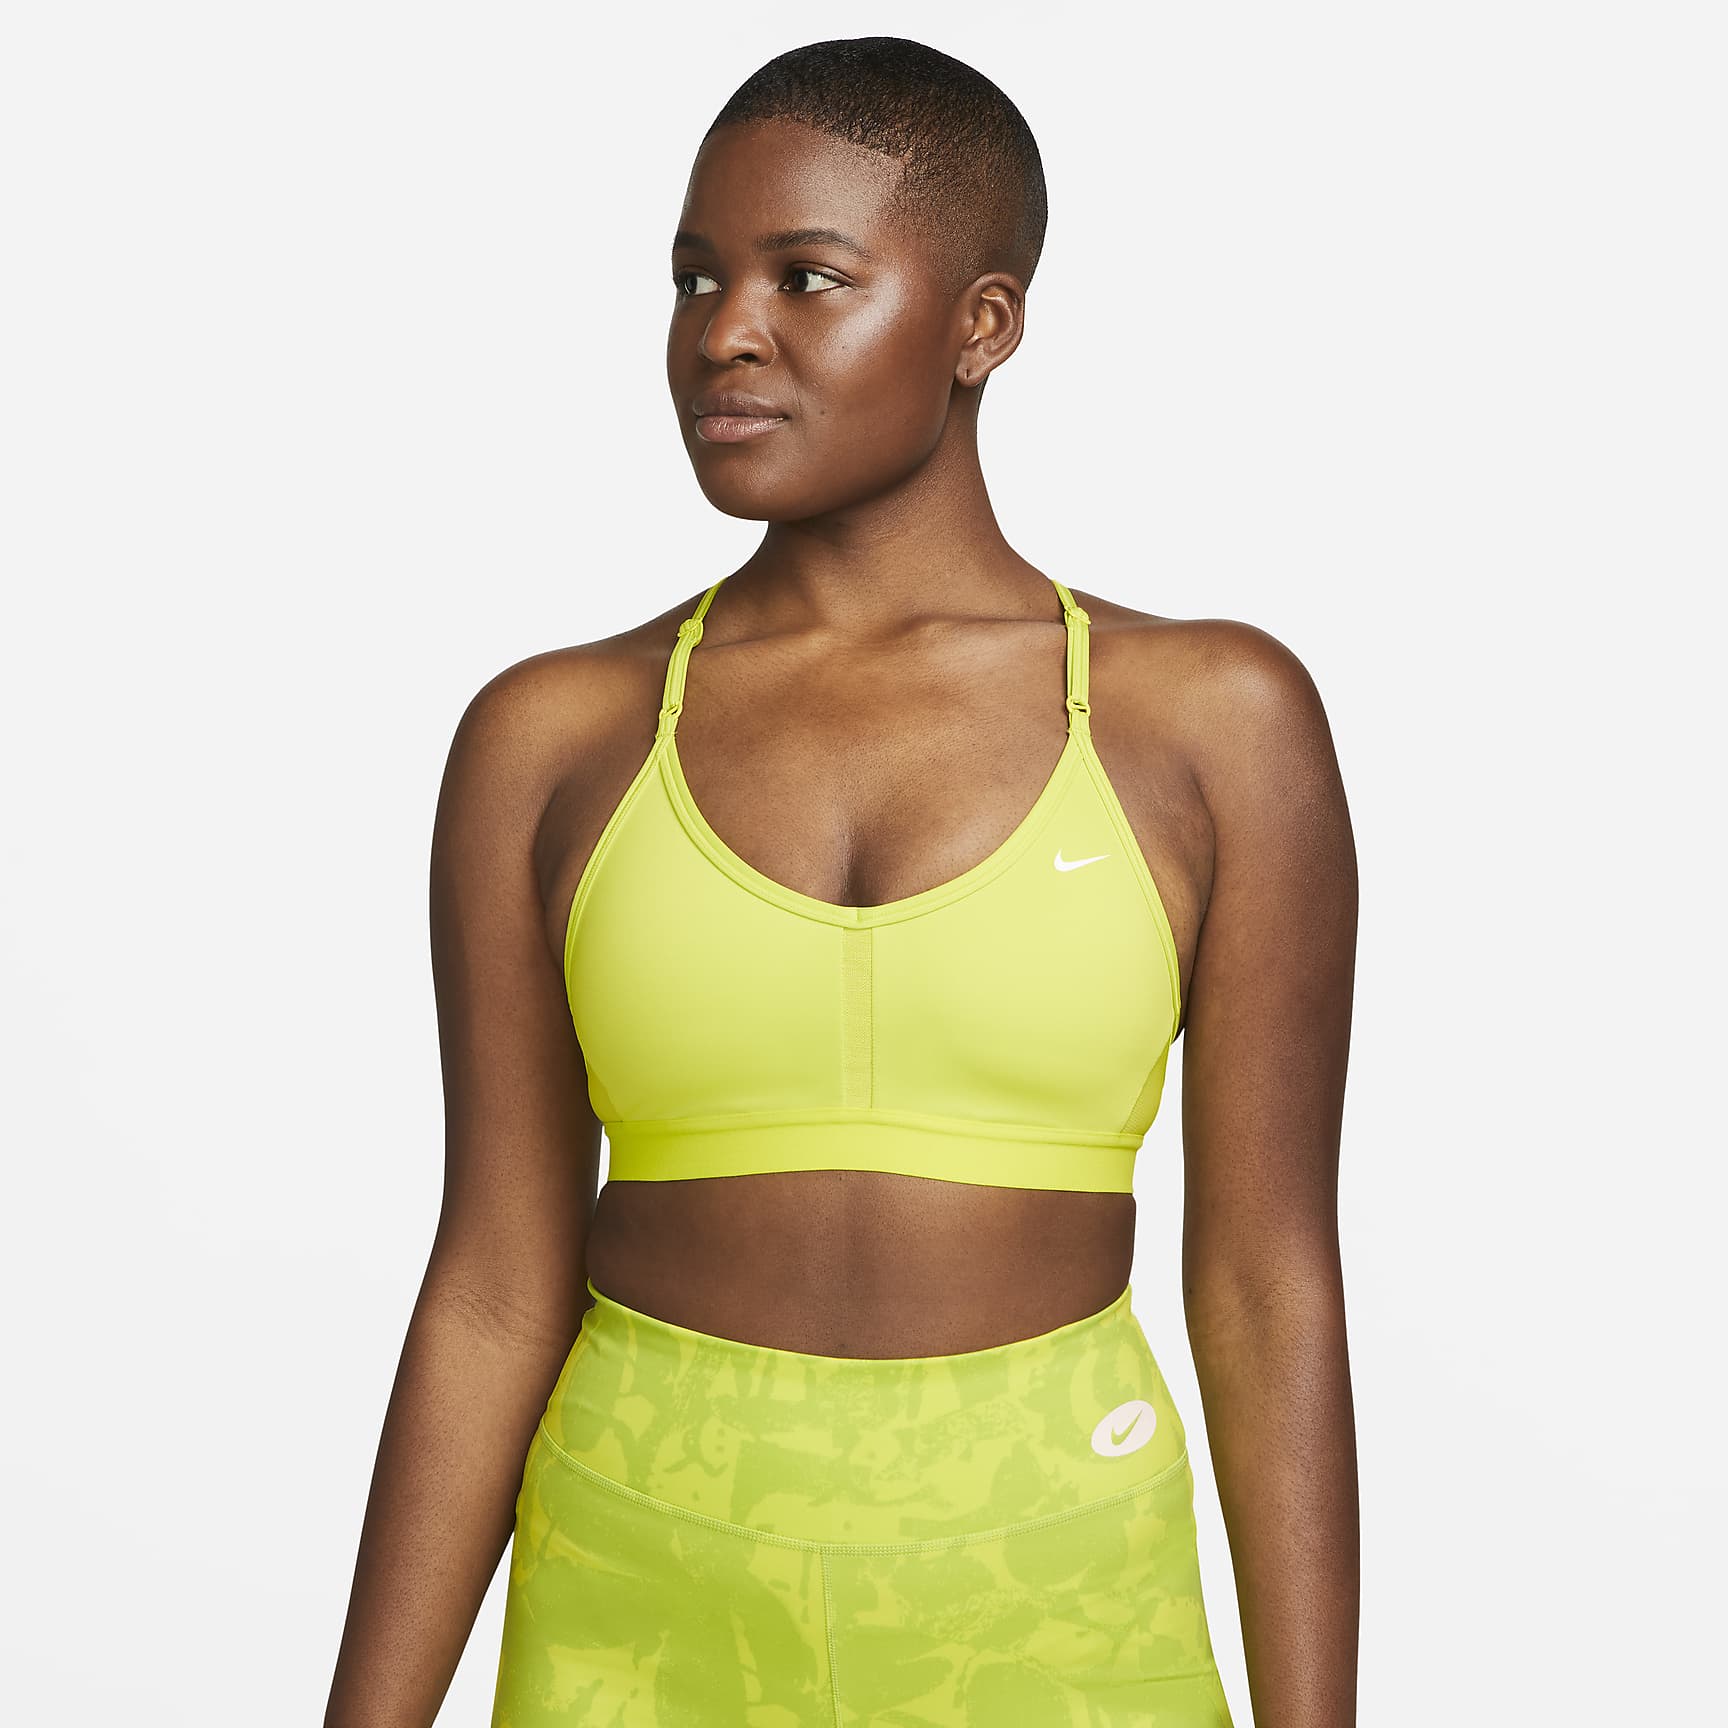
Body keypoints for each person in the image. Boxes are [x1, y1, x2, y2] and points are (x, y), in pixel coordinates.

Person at [325, 34, 1359, 1728]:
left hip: (1055, 1585)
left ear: (982, 325)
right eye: (695, 278)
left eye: (807, 278)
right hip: (637, 1581)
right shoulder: (550, 738)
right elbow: (497, 1287)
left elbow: (1265, 1290)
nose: (724, 333)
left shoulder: (1212, 722)